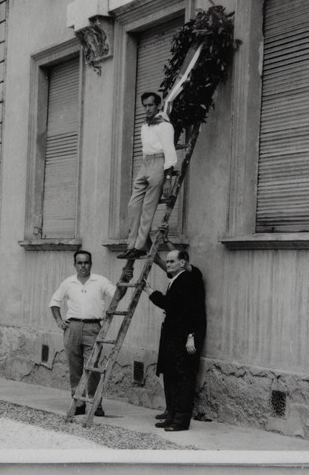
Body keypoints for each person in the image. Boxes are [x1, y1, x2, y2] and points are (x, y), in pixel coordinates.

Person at [49, 250, 126, 416]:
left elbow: (117, 296)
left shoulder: (100, 281)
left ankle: (95, 404)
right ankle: (78, 403)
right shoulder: (68, 282)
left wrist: (125, 282)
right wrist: (58, 320)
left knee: (92, 367)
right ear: (75, 265)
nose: (83, 266)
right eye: (80, 263)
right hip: (72, 327)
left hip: (93, 328)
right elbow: (54, 302)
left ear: (91, 264)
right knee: (75, 367)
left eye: (86, 262)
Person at [146, 249, 206, 431]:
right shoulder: (176, 280)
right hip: (173, 335)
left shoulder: (189, 280)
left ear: (182, 263)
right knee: (171, 374)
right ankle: (171, 416)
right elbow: (172, 306)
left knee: (183, 377)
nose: (168, 264)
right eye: (167, 261)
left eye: (172, 261)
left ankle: (181, 421)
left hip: (184, 337)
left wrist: (191, 336)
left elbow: (192, 311)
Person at [117, 92, 178, 260]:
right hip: (145, 163)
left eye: (150, 105)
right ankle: (131, 246)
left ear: (158, 106)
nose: (147, 109)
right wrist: (145, 166)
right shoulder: (145, 126)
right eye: (144, 106)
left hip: (159, 162)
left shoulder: (165, 125)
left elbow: (170, 153)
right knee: (133, 205)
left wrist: (167, 179)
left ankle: (139, 247)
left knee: (148, 208)